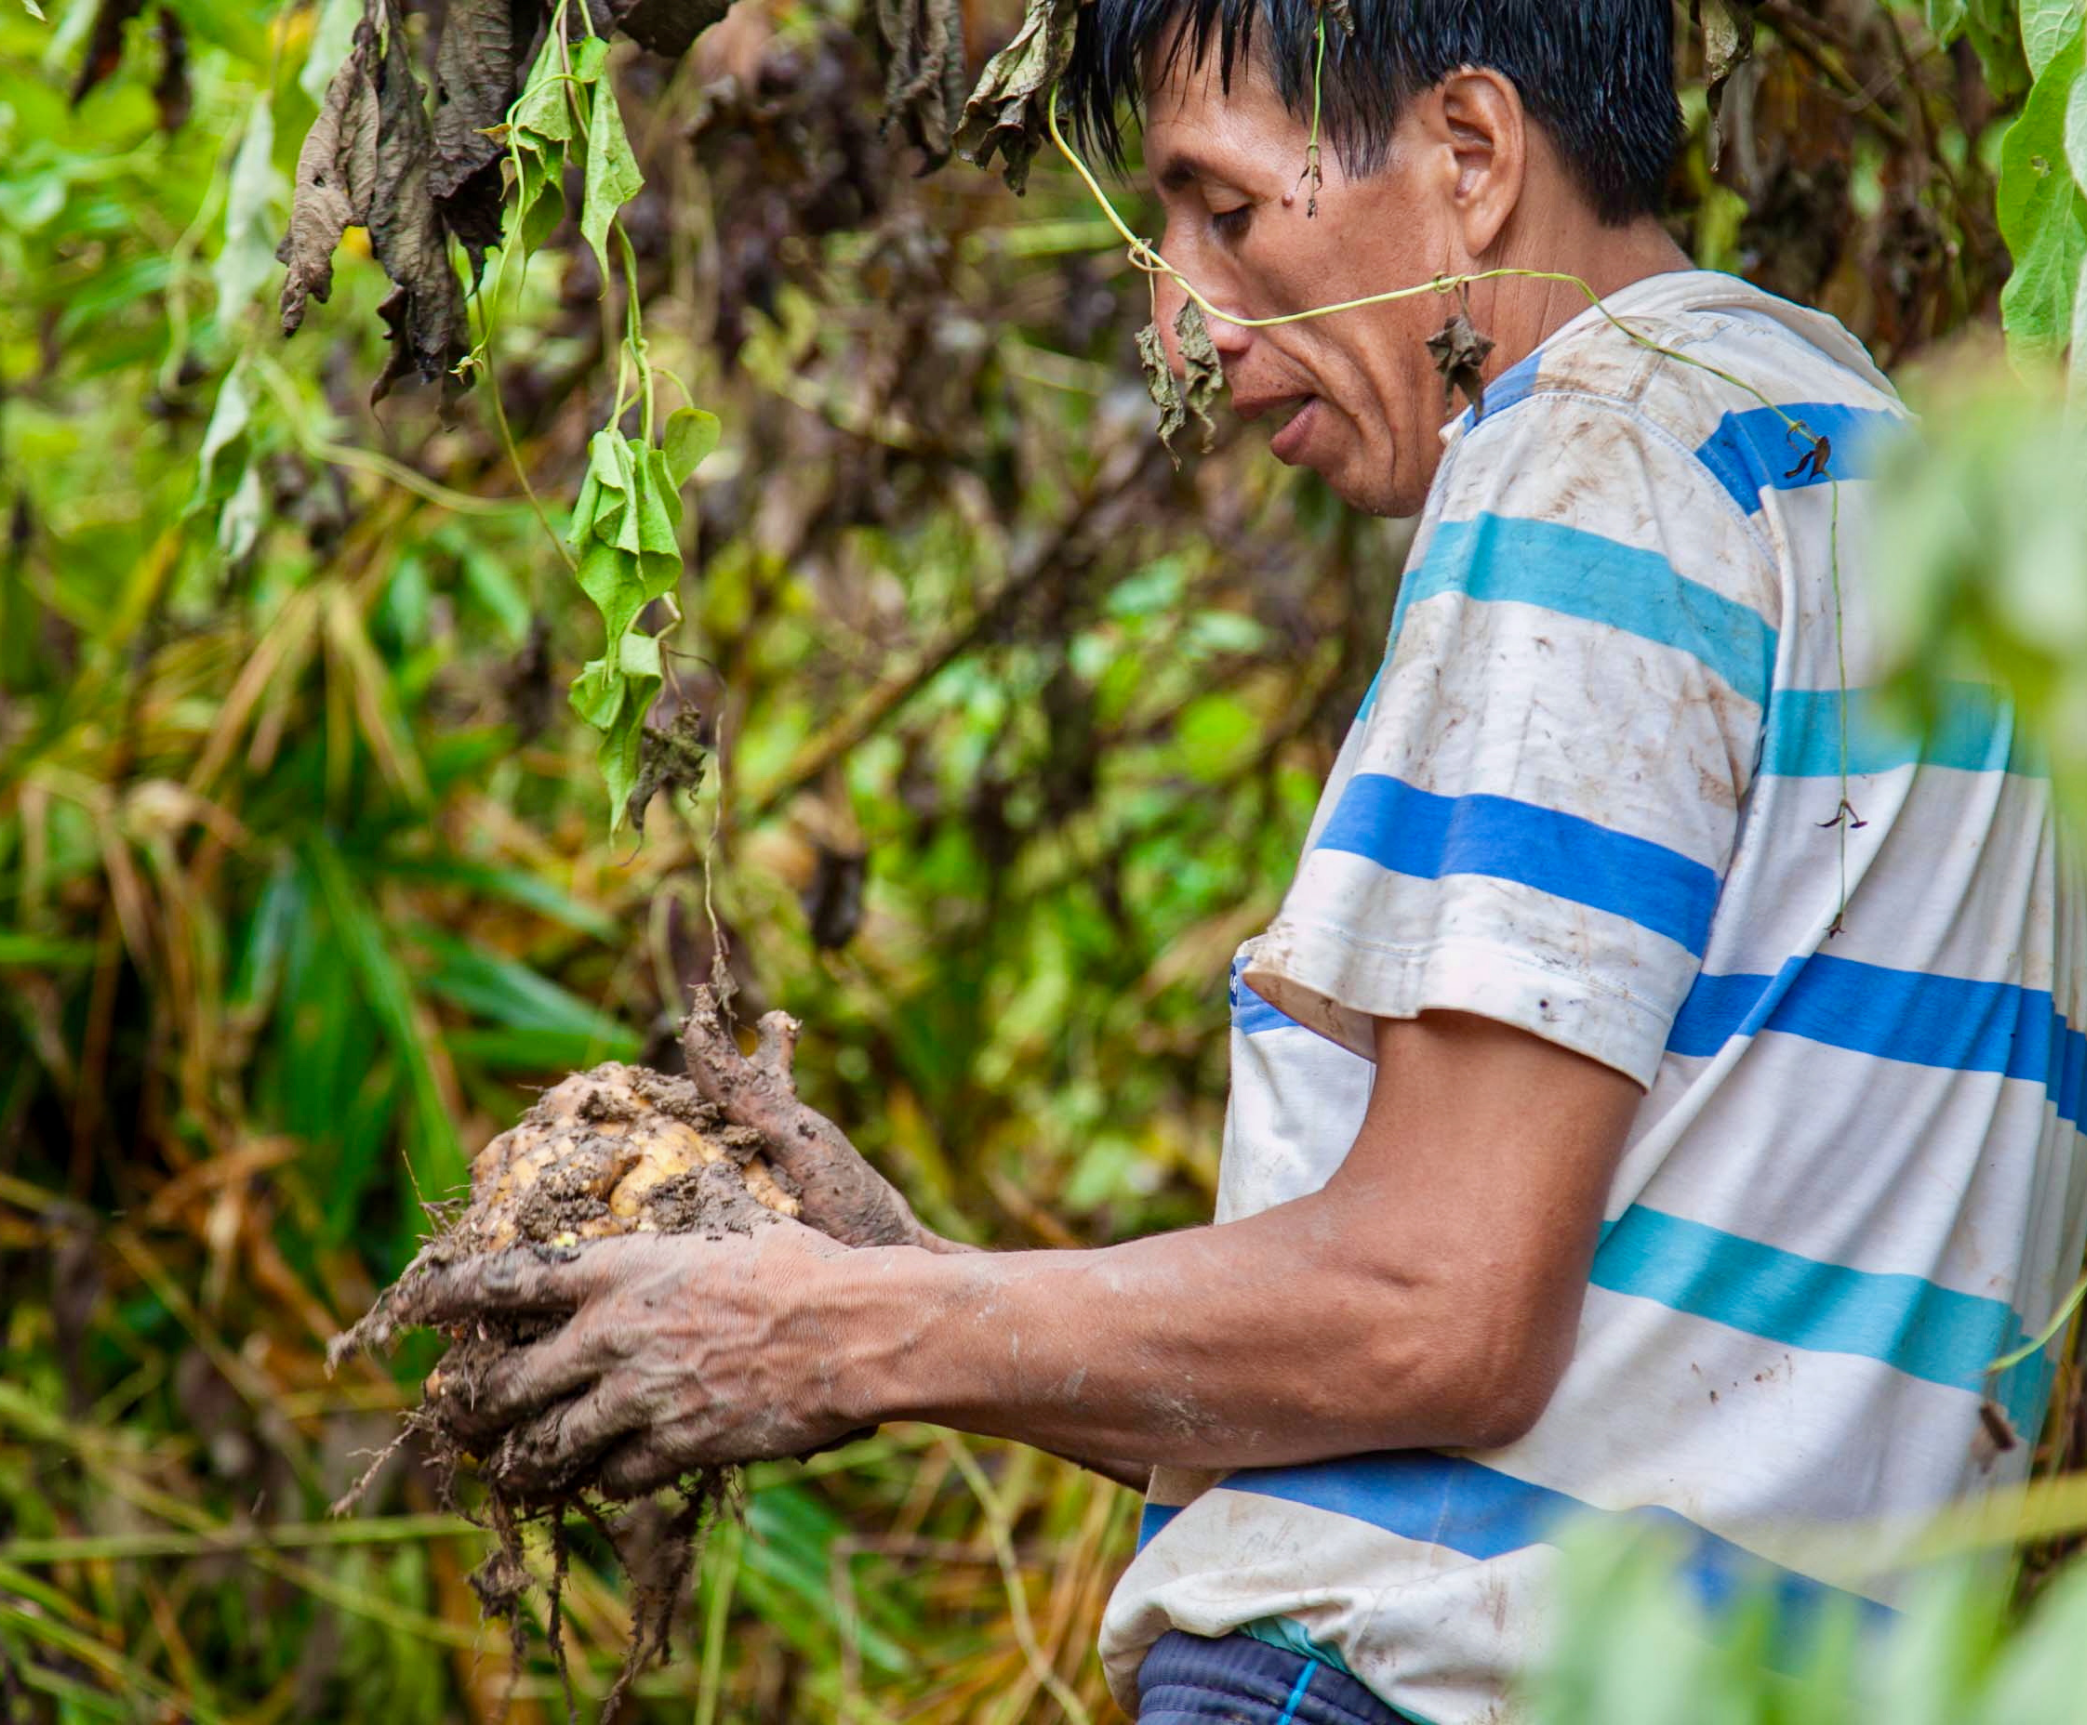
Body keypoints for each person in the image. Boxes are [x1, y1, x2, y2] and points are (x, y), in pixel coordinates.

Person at [403, 3, 2087, 1720]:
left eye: (1220, 210)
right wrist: (933, 1288)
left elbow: (1441, 1317)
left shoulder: (1589, 465)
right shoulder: (1869, 475)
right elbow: (1613, 1340)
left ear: (1471, 154)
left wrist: (830, 1334)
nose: (1181, 326)